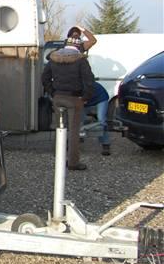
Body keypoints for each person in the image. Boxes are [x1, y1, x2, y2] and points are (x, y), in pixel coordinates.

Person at [41, 32, 96, 170]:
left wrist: (52, 92)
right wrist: (85, 98)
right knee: (73, 132)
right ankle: (73, 162)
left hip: (58, 98)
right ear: (78, 46)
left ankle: (59, 158)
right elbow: (89, 82)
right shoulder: (81, 60)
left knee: (60, 129)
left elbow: (44, 78)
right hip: (74, 99)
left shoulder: (53, 58)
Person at [68, 26, 111, 155]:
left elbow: (92, 40)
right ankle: (77, 140)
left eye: (78, 35)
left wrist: (83, 29)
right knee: (79, 119)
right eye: (73, 35)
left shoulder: (81, 46)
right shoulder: (66, 49)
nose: (76, 37)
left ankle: (105, 144)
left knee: (101, 120)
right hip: (86, 96)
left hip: (99, 97)